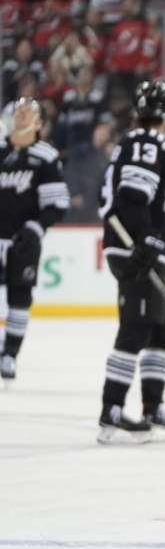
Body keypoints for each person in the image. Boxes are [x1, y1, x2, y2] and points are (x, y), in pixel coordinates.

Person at [95, 80, 165, 444]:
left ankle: (153, 407)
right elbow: (132, 195)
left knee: (163, 331)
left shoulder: (137, 142)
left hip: (143, 247)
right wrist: (146, 240)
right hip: (136, 249)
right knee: (137, 327)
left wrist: (153, 242)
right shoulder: (147, 143)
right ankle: (112, 411)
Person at [0, 98, 69, 381]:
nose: (22, 115)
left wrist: (35, 228)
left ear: (39, 122)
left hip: (23, 242)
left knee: (20, 298)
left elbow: (57, 204)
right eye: (18, 111)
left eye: (29, 112)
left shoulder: (46, 156)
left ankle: (10, 355)